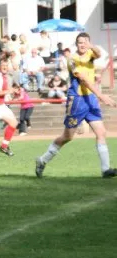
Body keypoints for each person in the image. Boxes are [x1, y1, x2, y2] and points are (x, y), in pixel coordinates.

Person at [35, 33, 117, 178]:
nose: (82, 45)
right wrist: (101, 95)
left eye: (85, 42)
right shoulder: (72, 59)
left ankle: (105, 170)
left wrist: (92, 46)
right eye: (80, 42)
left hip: (90, 99)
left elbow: (98, 53)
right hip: (77, 100)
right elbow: (83, 80)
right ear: (76, 44)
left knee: (101, 132)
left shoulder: (91, 53)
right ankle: (42, 160)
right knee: (67, 136)